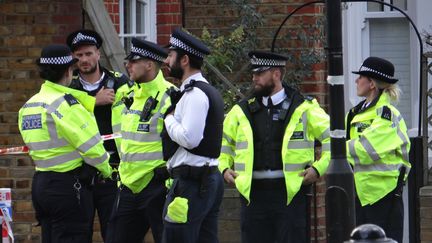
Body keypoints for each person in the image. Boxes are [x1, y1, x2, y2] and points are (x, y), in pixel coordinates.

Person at [219, 51, 330, 243]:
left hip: (289, 196)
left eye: (260, 73)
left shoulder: (303, 107)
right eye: (253, 74)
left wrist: (318, 169)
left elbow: (335, 141)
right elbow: (223, 144)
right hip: (253, 197)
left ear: (276, 74)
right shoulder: (242, 110)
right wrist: (224, 168)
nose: (254, 78)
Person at [18, 44, 112, 243]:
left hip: (41, 184)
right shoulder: (66, 104)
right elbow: (92, 146)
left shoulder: (30, 105)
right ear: (69, 71)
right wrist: (106, 170)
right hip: (68, 187)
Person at [65, 29, 136, 241]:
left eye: (88, 54)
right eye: (78, 56)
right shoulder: (69, 87)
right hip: (80, 173)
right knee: (78, 234)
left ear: (98, 53)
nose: (84, 60)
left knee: (116, 233)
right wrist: (94, 102)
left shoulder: (121, 83)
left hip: (114, 172)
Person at [106, 38, 173, 243]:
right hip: (128, 185)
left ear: (149, 65)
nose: (128, 65)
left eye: (133, 61)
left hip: (157, 185)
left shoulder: (170, 96)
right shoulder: (127, 94)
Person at [161, 28, 225, 243]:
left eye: (171, 55)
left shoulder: (195, 94)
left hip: (192, 184)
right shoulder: (205, 90)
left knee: (177, 237)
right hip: (202, 181)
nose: (167, 61)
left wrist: (168, 119)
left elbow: (190, 139)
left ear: (185, 59)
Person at [347, 56, 411, 243]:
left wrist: (334, 149)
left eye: (360, 77)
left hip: (384, 195)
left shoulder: (387, 115)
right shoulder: (355, 113)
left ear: (372, 83)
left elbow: (367, 150)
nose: (356, 81)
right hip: (361, 194)